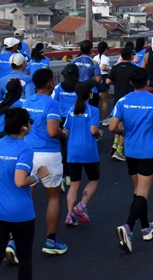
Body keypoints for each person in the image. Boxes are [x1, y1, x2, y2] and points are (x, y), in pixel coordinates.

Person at [0, 107, 46, 280]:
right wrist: (39, 175)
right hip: (20, 213)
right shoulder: (25, 149)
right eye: (29, 122)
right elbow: (20, 181)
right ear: (24, 127)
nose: (30, 125)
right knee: (25, 260)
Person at [109, 66, 153, 253]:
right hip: (148, 151)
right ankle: (128, 227)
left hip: (130, 151)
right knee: (143, 193)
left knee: (137, 191)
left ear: (130, 83)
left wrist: (123, 132)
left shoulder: (123, 101)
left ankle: (145, 228)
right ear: (148, 82)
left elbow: (112, 127)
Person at [22, 68, 69, 255]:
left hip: (27, 153)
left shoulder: (26, 102)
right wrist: (64, 133)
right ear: (51, 83)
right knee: (53, 198)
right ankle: (51, 240)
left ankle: (13, 242)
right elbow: (52, 131)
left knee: (24, 197)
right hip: (48, 153)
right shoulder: (52, 104)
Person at [64, 81, 101, 227]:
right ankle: (81, 205)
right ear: (89, 94)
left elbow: (65, 130)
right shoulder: (93, 110)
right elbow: (93, 130)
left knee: (74, 184)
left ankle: (70, 215)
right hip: (88, 150)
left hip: (72, 151)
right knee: (93, 180)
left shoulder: (70, 110)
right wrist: (100, 133)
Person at [106, 47, 137, 160]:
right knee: (126, 126)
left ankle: (115, 143)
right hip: (129, 99)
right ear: (131, 56)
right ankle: (119, 151)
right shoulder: (134, 69)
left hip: (117, 99)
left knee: (118, 123)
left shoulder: (115, 68)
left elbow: (108, 81)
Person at [94, 41, 112, 118]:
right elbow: (103, 68)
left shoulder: (95, 57)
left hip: (95, 78)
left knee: (95, 101)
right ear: (105, 49)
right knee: (104, 101)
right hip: (103, 78)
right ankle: (105, 119)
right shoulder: (106, 58)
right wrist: (110, 68)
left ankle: (94, 119)